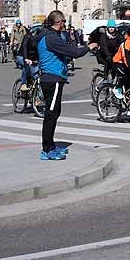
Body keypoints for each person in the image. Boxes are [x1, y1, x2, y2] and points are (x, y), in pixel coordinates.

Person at [36, 11, 97, 160]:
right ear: (58, 22)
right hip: (53, 78)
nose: (65, 24)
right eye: (63, 21)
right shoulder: (50, 38)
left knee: (54, 113)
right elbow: (74, 52)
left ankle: (50, 145)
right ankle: (47, 149)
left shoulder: (50, 36)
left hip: (52, 77)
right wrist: (89, 47)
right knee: (51, 114)